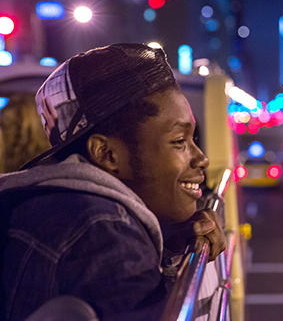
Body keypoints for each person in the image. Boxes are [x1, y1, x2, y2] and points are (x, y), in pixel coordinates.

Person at [0, 43, 226, 320]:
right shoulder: (103, 229)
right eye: (179, 141)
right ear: (107, 154)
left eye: (193, 140)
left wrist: (170, 247)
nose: (201, 158)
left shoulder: (55, 204)